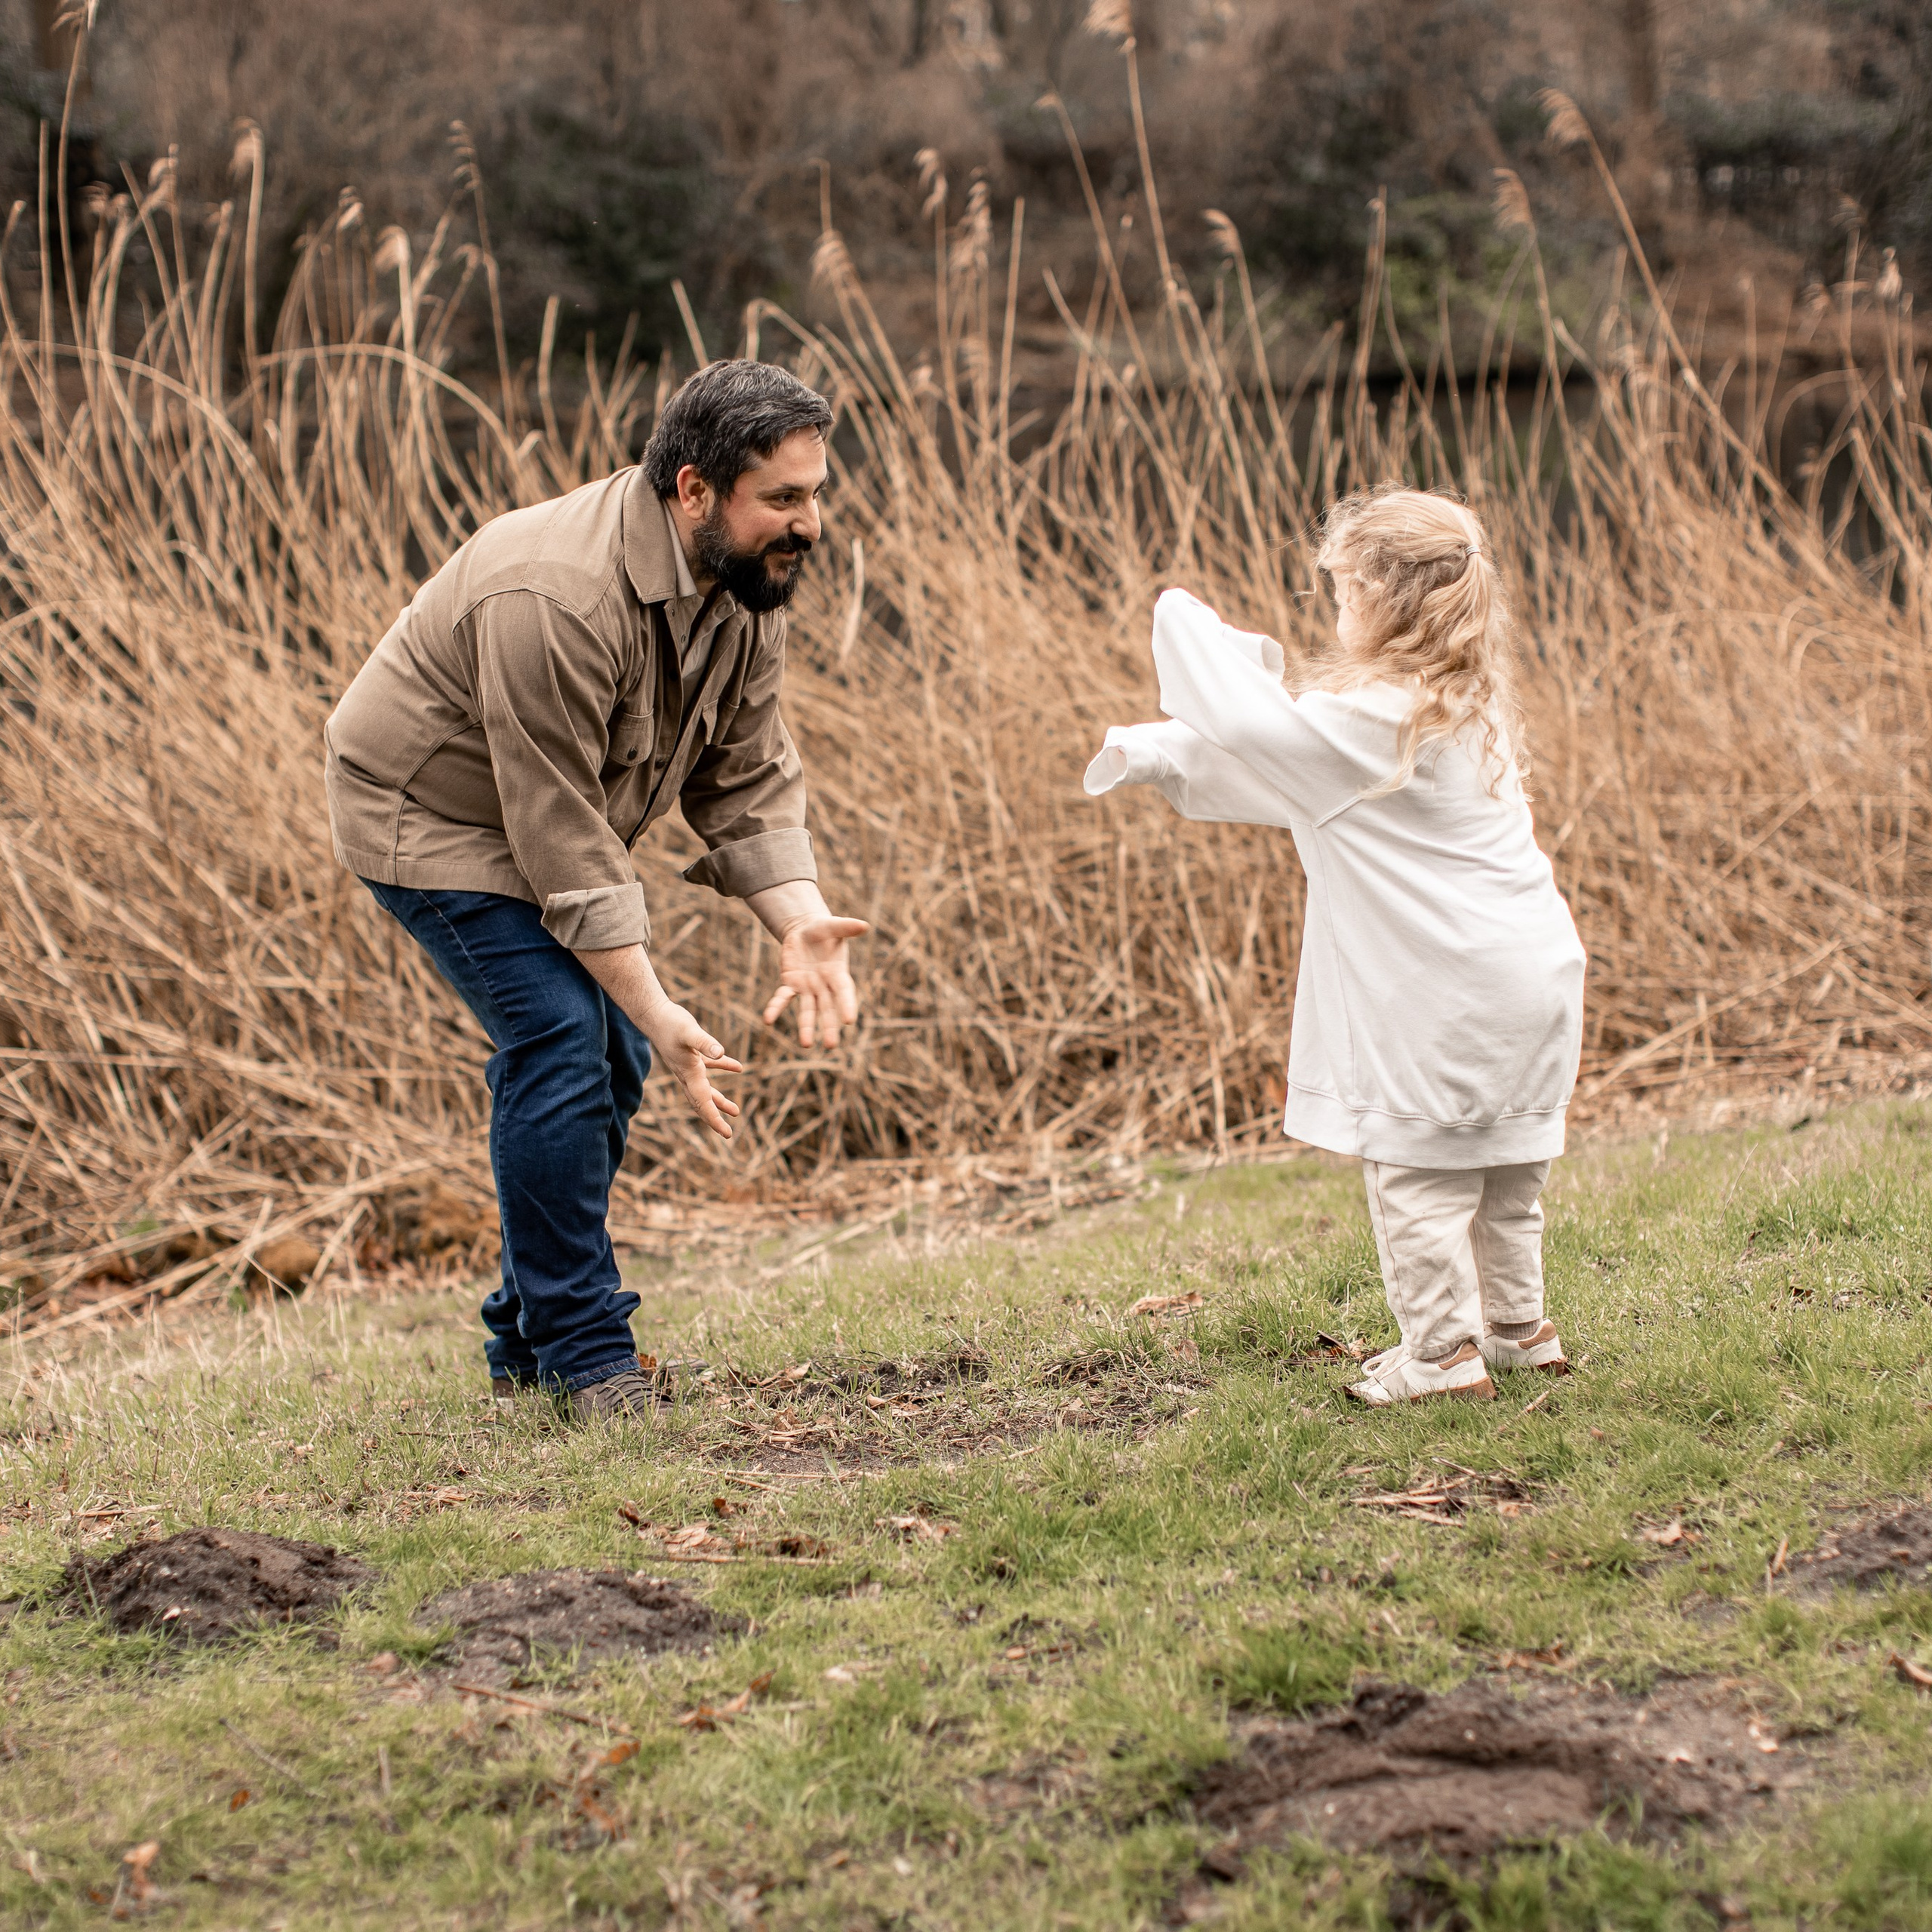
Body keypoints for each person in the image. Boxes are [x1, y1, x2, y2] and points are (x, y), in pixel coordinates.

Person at [325, 360, 867, 1420]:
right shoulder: (554, 595)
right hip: (428, 816)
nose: (809, 524)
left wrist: (800, 923)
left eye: (817, 495)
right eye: (784, 498)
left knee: (599, 1046)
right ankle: (585, 1363)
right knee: (570, 1038)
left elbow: (748, 776)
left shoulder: (745, 583)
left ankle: (528, 1344)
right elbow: (561, 837)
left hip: (538, 819)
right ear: (695, 489)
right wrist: (662, 1015)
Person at [1084, 487, 1586, 1404]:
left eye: (1345, 589)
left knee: (1420, 1175)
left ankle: (1438, 1356)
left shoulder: (1370, 721)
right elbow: (1290, 774)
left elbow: (1254, 733)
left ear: (1387, 599)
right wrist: (1151, 752)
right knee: (1508, 1172)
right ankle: (1520, 1331)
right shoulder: (1465, 706)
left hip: (1447, 991)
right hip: (1535, 970)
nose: (1336, 609)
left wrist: (1177, 614)